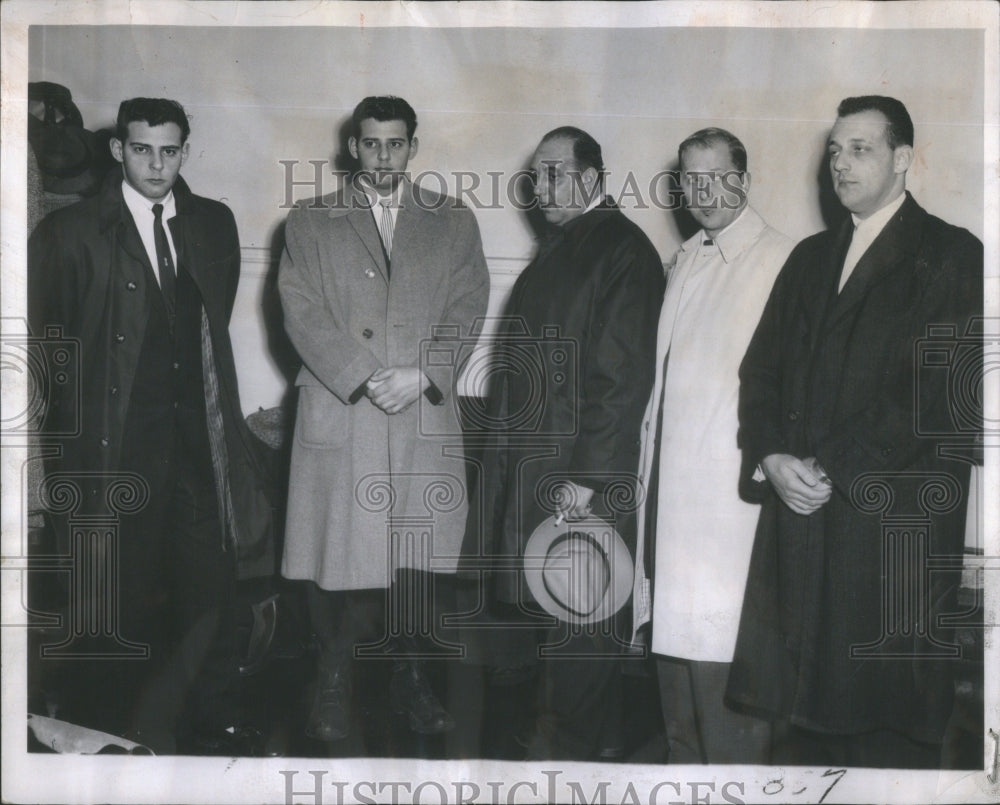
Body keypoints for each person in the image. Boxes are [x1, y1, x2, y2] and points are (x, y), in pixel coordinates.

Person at [726, 96, 983, 768]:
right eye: (835, 150)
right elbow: (761, 373)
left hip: (886, 534)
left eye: (859, 148)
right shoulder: (811, 256)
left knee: (882, 736)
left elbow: (929, 393)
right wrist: (771, 454)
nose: (839, 162)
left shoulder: (952, 253)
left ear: (902, 160)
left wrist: (826, 466)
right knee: (801, 734)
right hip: (804, 527)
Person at [29, 97, 275, 755]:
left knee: (208, 587)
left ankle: (212, 720)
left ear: (185, 151)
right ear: (117, 149)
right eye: (143, 149)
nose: (157, 164)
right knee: (114, 595)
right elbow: (48, 357)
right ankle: (100, 731)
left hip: (198, 443)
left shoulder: (212, 224)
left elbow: (209, 328)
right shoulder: (68, 233)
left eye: (170, 150)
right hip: (113, 449)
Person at [278, 95, 490, 742]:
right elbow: (300, 310)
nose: (383, 157)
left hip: (418, 416)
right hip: (348, 415)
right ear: (353, 147)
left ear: (413, 148)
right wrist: (365, 376)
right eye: (371, 144)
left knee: (416, 571)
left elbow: (467, 301)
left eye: (396, 144)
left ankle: (411, 680)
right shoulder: (312, 221)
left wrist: (424, 372)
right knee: (340, 567)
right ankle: (333, 685)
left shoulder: (452, 220)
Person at [460, 127, 665, 760]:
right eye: (537, 174)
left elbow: (621, 380)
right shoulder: (565, 246)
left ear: (592, 176)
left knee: (584, 619)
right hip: (540, 470)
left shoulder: (623, 250)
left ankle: (579, 753)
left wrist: (592, 481)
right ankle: (558, 739)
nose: (540, 186)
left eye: (554, 172)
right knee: (557, 615)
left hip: (579, 480)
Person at [631, 128, 793, 763]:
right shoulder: (688, 258)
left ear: (744, 181)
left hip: (729, 501)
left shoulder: (780, 258)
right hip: (670, 494)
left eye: (716, 176)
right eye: (689, 180)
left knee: (724, 664)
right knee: (673, 660)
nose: (701, 192)